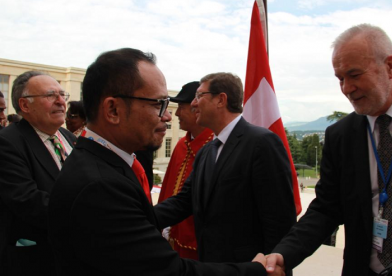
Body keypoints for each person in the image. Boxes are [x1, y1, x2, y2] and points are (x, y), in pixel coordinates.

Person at [48, 48, 279, 276]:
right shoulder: (99, 185)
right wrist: (256, 271)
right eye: (158, 104)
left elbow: (276, 218)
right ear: (113, 109)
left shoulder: (257, 143)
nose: (168, 116)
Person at [265, 23, 392, 276]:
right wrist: (284, 254)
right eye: (340, 79)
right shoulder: (340, 136)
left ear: (390, 67)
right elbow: (326, 208)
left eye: (355, 75)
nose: (346, 88)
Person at [154, 72, 296, 264]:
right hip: (211, 265)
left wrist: (274, 266)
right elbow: (184, 201)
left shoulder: (262, 143)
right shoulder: (207, 151)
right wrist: (139, 218)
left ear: (221, 100)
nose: (194, 104)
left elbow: (279, 220)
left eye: (199, 96)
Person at [0, 71, 76, 275]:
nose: (61, 102)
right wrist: (88, 214)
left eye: (62, 95)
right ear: (25, 105)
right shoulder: (7, 142)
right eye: (50, 95)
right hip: (37, 259)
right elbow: (26, 199)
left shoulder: (70, 138)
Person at [158, 81, 214, 259]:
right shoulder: (182, 145)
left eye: (180, 107)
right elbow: (167, 189)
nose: (176, 114)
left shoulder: (217, 147)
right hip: (173, 244)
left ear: (196, 109)